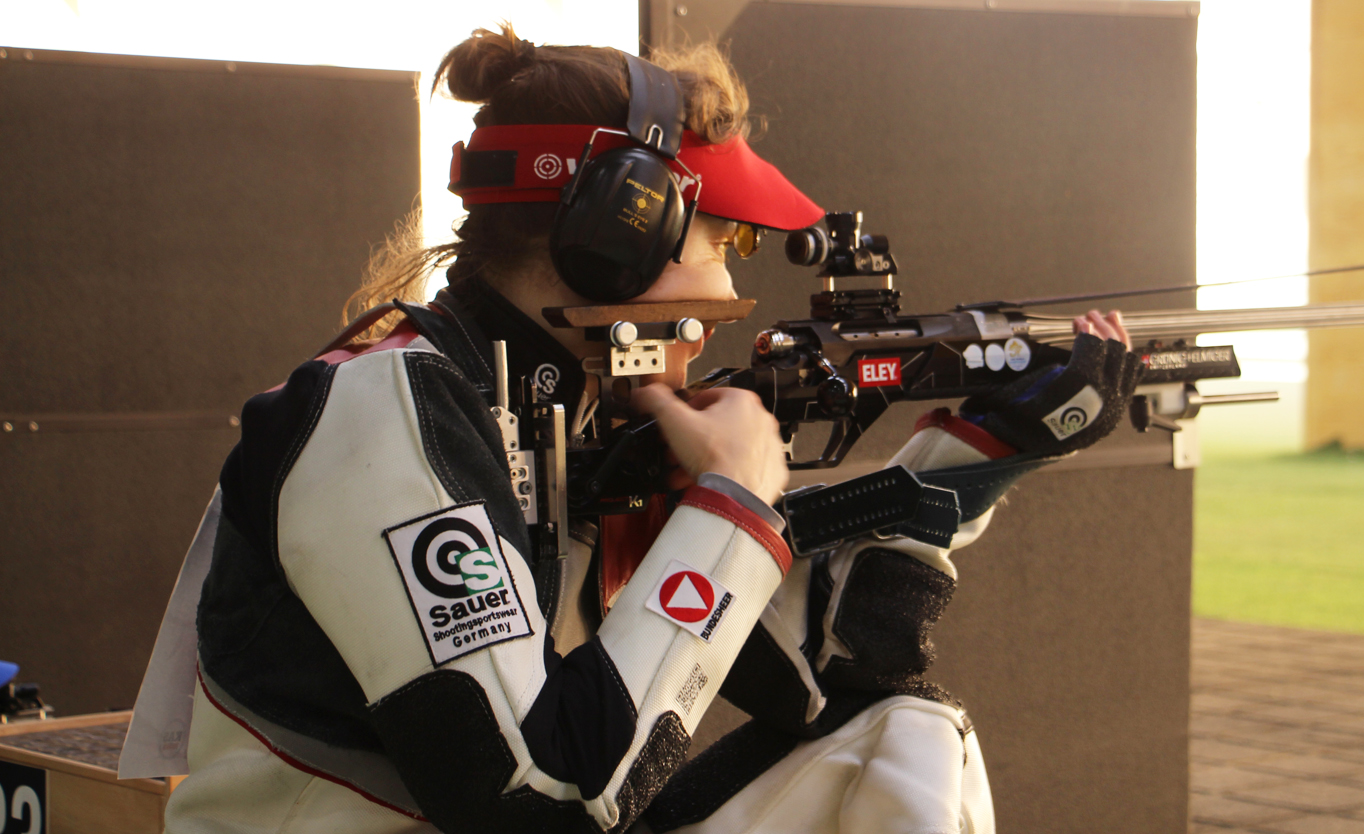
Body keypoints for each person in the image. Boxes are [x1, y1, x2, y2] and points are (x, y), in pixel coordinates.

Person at [133, 25, 1139, 834]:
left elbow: (815, 672)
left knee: (906, 738)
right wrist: (733, 503)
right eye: (725, 239)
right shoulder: (382, 413)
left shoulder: (557, 418)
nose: (735, 286)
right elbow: (542, 798)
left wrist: (974, 459)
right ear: (618, 233)